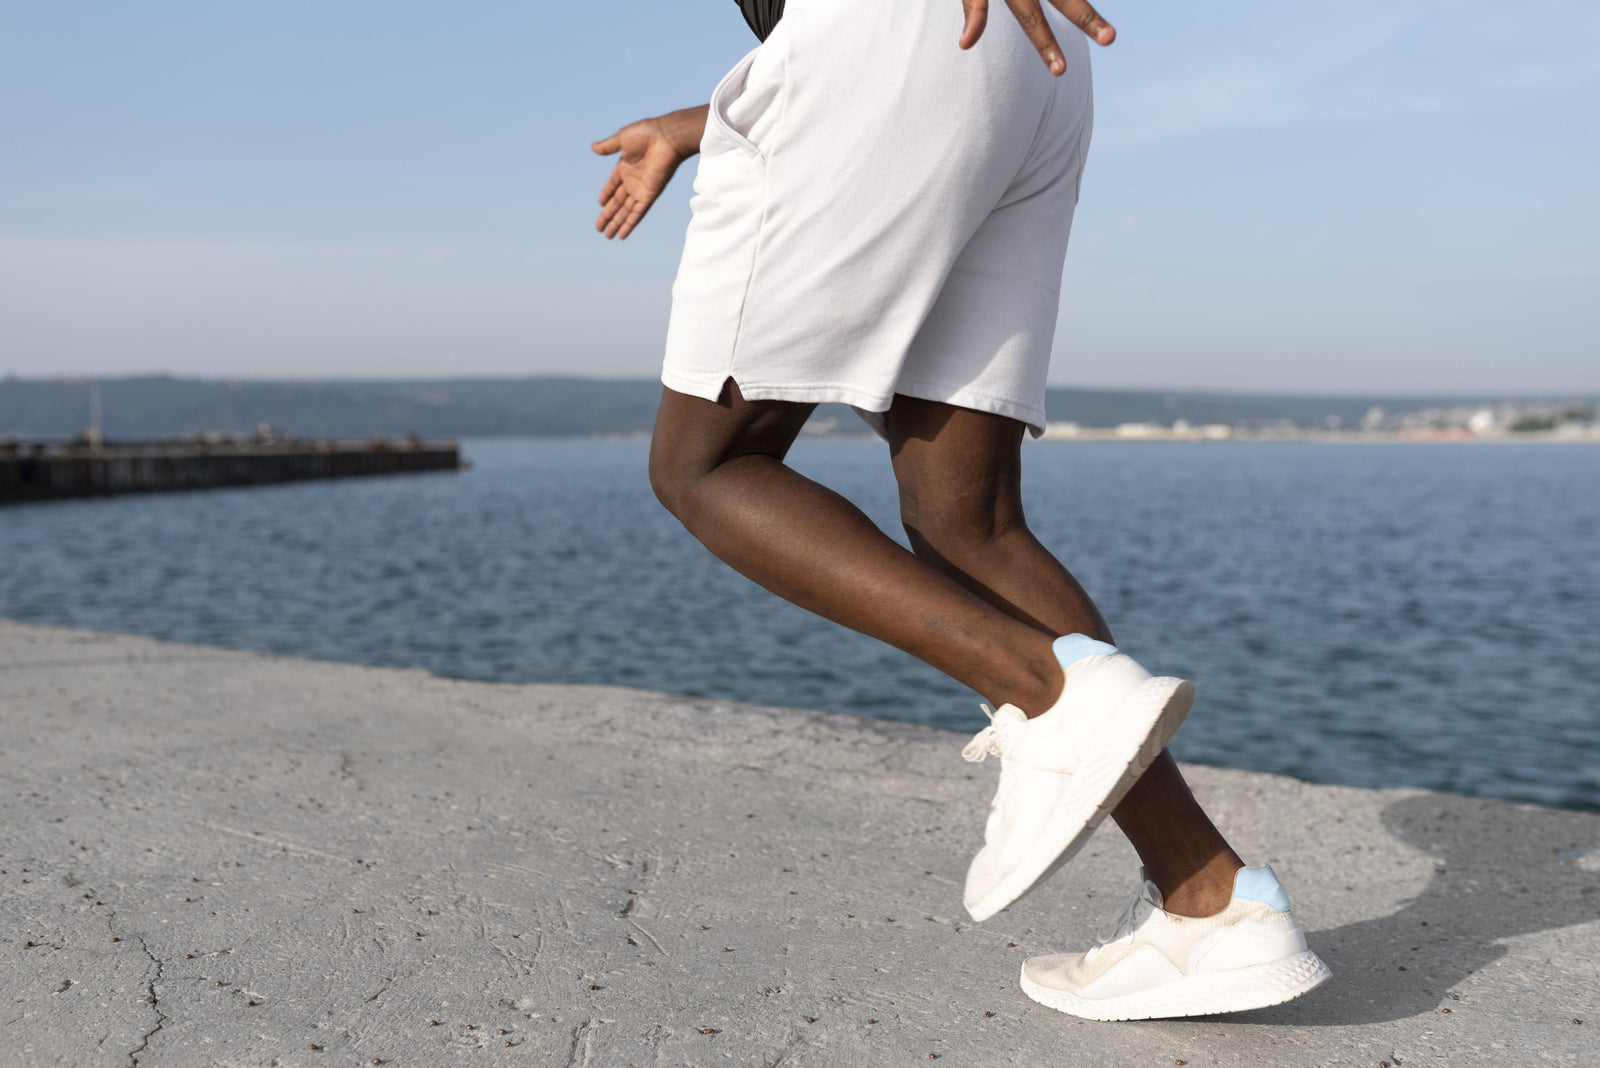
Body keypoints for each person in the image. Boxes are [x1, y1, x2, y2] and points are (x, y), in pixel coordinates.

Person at [591, 0, 1331, 1021]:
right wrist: (702, 118)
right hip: (1024, 67)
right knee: (965, 523)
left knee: (708, 466)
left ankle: (1044, 689)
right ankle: (1208, 900)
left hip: (905, 45)